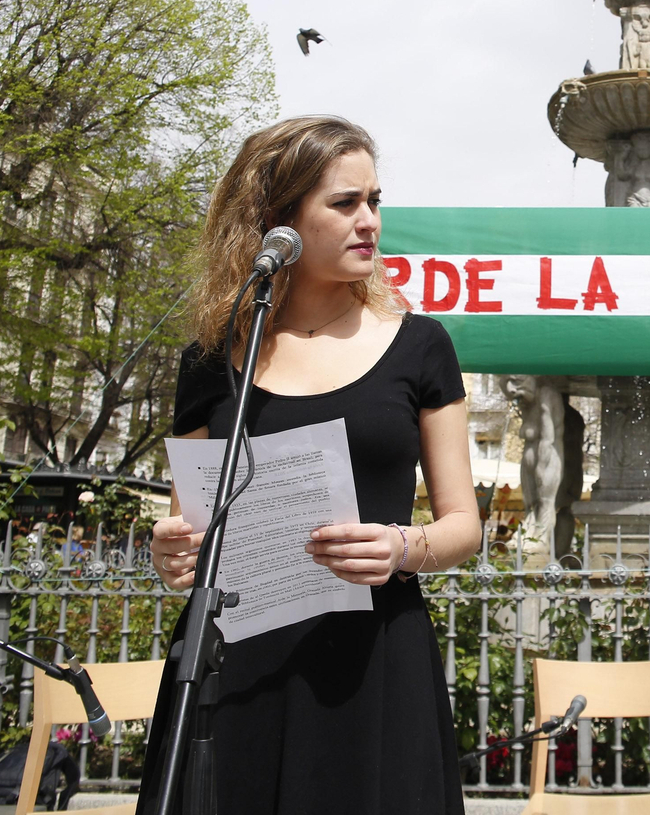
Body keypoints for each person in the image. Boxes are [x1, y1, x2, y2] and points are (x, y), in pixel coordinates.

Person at [142, 115, 481, 814]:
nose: (370, 223)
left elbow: (464, 527)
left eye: (375, 202)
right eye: (344, 203)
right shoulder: (209, 359)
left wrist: (400, 546)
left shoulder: (421, 346)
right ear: (277, 221)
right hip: (235, 664)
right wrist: (171, 551)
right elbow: (191, 527)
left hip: (373, 659)